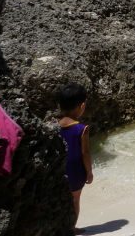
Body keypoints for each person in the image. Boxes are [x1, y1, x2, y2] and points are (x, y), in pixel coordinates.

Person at [57, 84, 94, 233]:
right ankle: (71, 228)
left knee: (62, 201)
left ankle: (60, 226)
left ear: (59, 106)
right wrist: (89, 173)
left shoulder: (54, 126)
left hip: (60, 170)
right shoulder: (82, 128)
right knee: (75, 200)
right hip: (76, 172)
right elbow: (85, 153)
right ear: (82, 106)